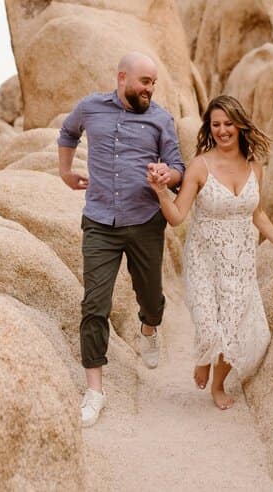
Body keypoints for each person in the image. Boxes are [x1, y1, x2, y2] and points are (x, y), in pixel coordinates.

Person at [147, 95, 273, 409]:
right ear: (209, 128)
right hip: (204, 258)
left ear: (240, 125)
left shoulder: (254, 167)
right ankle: (204, 355)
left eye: (228, 124)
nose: (222, 130)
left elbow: (258, 214)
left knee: (233, 326)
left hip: (240, 262)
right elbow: (177, 216)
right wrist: (161, 192)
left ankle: (217, 385)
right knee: (208, 325)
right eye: (216, 124)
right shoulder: (200, 166)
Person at [58, 52, 185, 428]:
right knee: (94, 304)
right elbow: (68, 133)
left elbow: (178, 167)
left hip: (145, 222)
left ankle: (150, 326)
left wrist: (166, 174)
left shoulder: (160, 119)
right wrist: (65, 171)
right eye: (144, 82)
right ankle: (94, 391)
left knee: (151, 298)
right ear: (122, 77)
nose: (150, 89)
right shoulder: (90, 107)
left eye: (153, 83)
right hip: (100, 222)